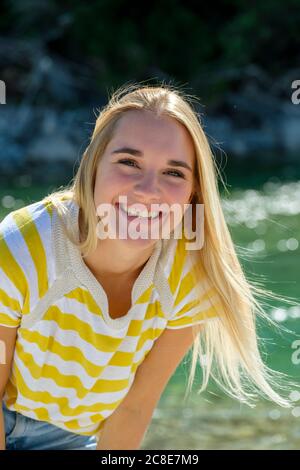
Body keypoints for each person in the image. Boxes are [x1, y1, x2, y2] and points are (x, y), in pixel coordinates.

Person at [0, 83, 297, 451]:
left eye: (174, 173)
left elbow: (134, 408)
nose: (148, 189)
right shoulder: (23, 246)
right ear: (93, 166)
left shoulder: (193, 274)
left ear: (193, 192)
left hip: (74, 439)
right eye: (128, 162)